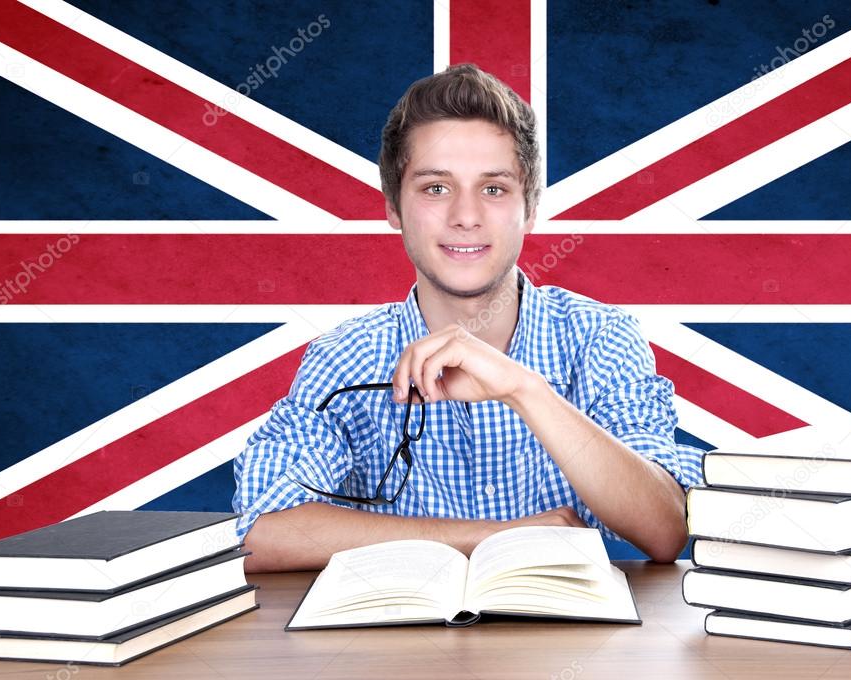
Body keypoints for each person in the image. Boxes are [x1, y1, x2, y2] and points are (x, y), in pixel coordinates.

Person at [233, 63, 704, 571]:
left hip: (569, 648)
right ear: (393, 205)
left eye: (494, 189)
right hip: (396, 649)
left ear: (530, 206)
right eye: (436, 188)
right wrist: (496, 538)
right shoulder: (345, 357)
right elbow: (261, 533)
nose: (466, 215)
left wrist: (523, 389)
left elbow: (665, 530)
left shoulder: (599, 338)